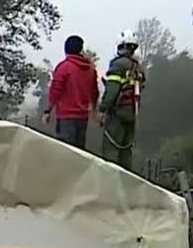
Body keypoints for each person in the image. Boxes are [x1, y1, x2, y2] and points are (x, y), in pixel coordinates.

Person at [99, 30, 147, 170]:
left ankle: (110, 184)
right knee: (126, 152)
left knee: (111, 151)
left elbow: (112, 90)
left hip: (117, 114)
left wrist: (102, 109)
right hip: (132, 113)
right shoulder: (138, 68)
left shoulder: (118, 65)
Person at [43, 35, 99, 149]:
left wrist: (47, 110)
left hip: (65, 117)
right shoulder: (90, 69)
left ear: (66, 50)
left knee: (65, 152)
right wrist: (94, 109)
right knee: (80, 152)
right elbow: (95, 92)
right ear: (80, 50)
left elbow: (55, 91)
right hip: (83, 118)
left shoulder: (64, 67)